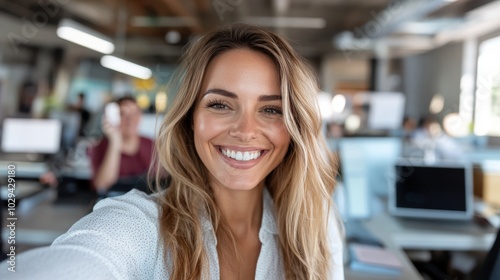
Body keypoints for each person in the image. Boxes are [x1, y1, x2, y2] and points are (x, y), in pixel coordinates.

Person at [0, 24, 343, 279]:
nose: (245, 131)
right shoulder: (141, 226)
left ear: (295, 126)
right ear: (190, 119)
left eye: (271, 109)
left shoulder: (317, 224)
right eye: (221, 104)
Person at [89, 96, 154, 194]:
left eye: (135, 113)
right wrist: (115, 141)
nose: (130, 119)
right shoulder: (99, 146)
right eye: (123, 114)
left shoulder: (151, 144)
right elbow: (101, 185)